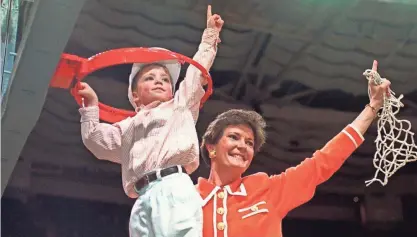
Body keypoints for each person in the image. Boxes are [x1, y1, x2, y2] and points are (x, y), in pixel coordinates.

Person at [197, 60, 391, 237]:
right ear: (211, 147)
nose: (242, 146)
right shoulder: (186, 197)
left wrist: (372, 106)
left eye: (249, 143)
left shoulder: (267, 190)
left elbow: (322, 163)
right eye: (234, 137)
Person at [77, 5, 224, 237]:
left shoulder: (180, 105)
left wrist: (210, 36)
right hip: (143, 196)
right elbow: (95, 141)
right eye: (149, 77)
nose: (159, 81)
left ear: (171, 90)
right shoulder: (127, 127)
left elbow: (196, 72)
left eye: (165, 79)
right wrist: (91, 106)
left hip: (174, 187)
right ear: (135, 95)